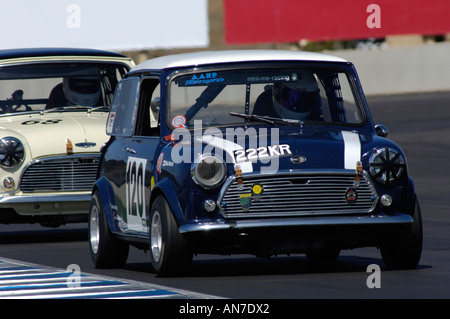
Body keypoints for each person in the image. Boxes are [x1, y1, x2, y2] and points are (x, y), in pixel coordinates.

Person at [253, 70, 323, 121]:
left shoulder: (317, 123)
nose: (299, 105)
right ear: (277, 92)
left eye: (307, 99)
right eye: (294, 97)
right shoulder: (264, 102)